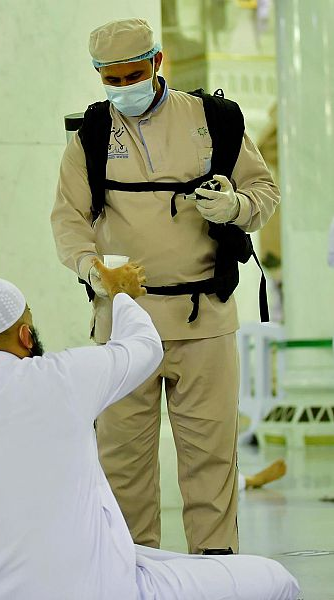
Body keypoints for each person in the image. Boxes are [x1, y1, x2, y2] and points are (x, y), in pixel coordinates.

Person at [0, 277, 299, 600]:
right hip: (104, 590)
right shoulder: (62, 378)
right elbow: (144, 347)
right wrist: (121, 295)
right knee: (272, 579)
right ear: (27, 336)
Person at [51, 18, 279, 554]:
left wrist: (236, 207)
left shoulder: (213, 120)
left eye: (133, 73)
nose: (123, 87)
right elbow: (68, 220)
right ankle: (132, 571)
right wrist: (92, 268)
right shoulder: (90, 137)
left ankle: (216, 572)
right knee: (122, 463)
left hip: (206, 320)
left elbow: (264, 191)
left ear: (157, 63)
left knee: (211, 459)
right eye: (111, 79)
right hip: (125, 326)